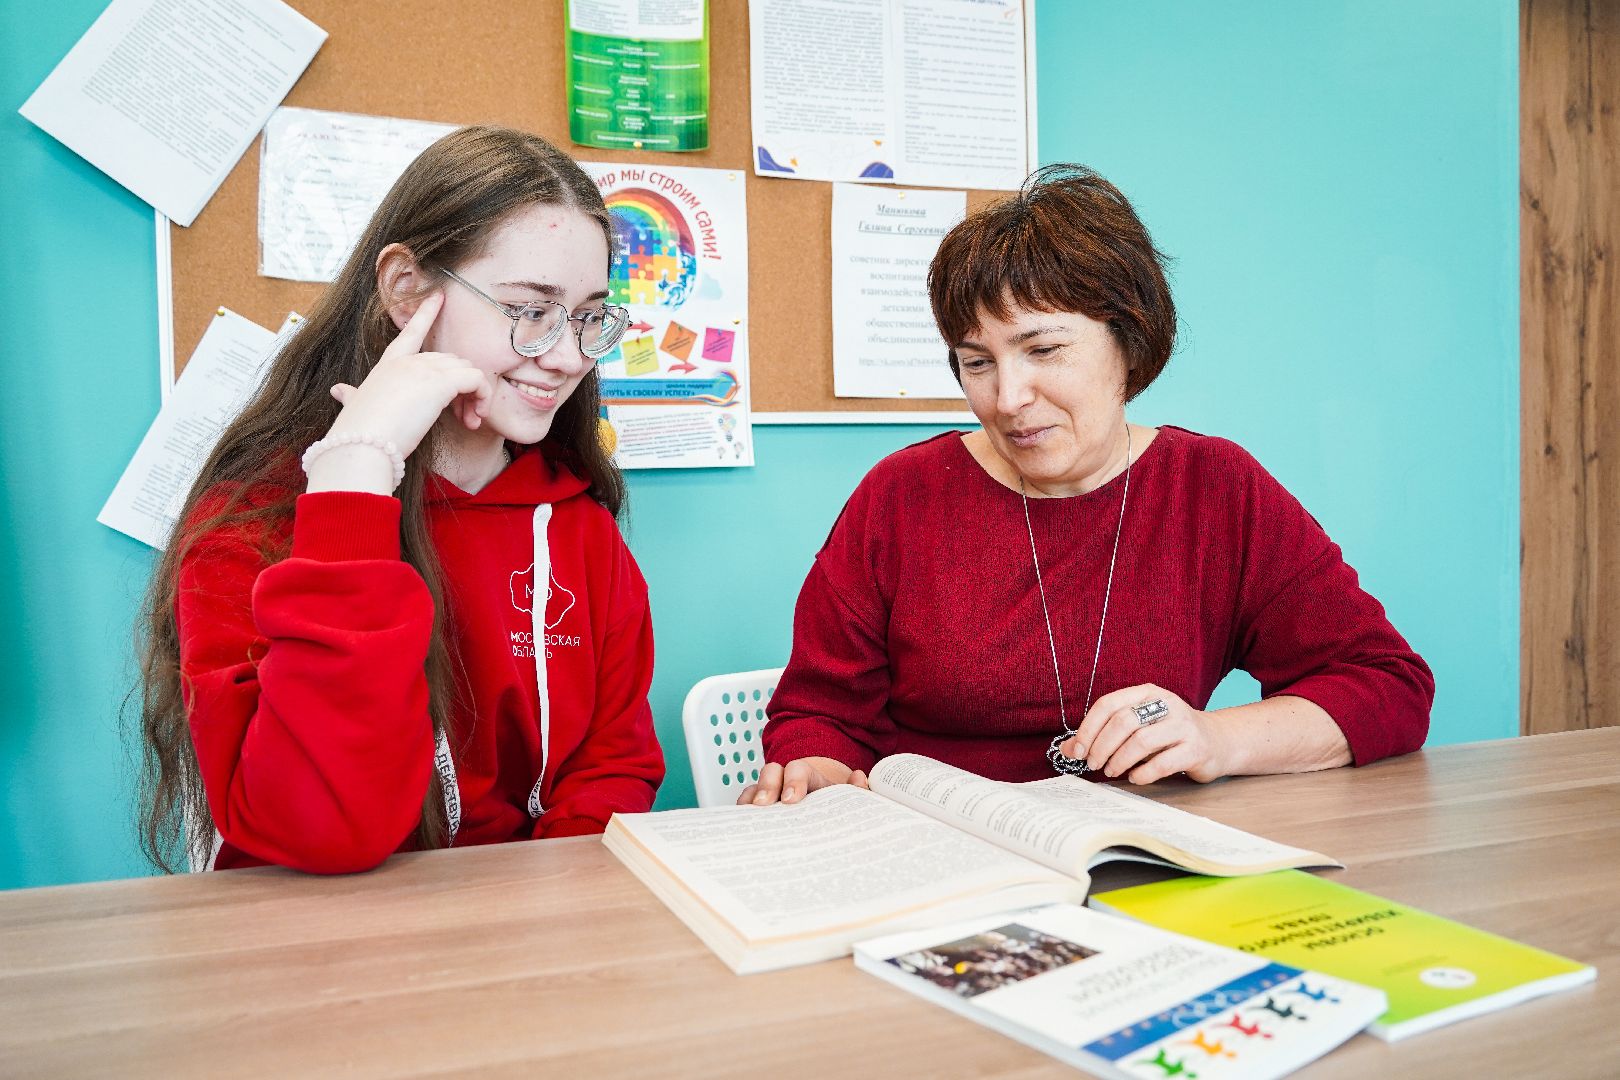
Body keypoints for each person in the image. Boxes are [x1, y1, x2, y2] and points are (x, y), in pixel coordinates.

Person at [745, 164, 1433, 805]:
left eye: (1043, 351)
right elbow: (817, 714)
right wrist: (817, 769)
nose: (1008, 397)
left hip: (1144, 855)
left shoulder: (1216, 489)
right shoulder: (900, 496)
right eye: (976, 361)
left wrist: (1216, 738)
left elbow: (1387, 686)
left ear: (1129, 340)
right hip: (941, 856)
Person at [135, 127, 663, 873]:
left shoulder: (580, 528)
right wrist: (354, 477)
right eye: (529, 309)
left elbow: (612, 772)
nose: (571, 356)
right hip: (313, 950)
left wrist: (539, 925)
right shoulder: (252, 524)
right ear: (408, 290)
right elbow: (324, 831)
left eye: (587, 316)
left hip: (533, 943)